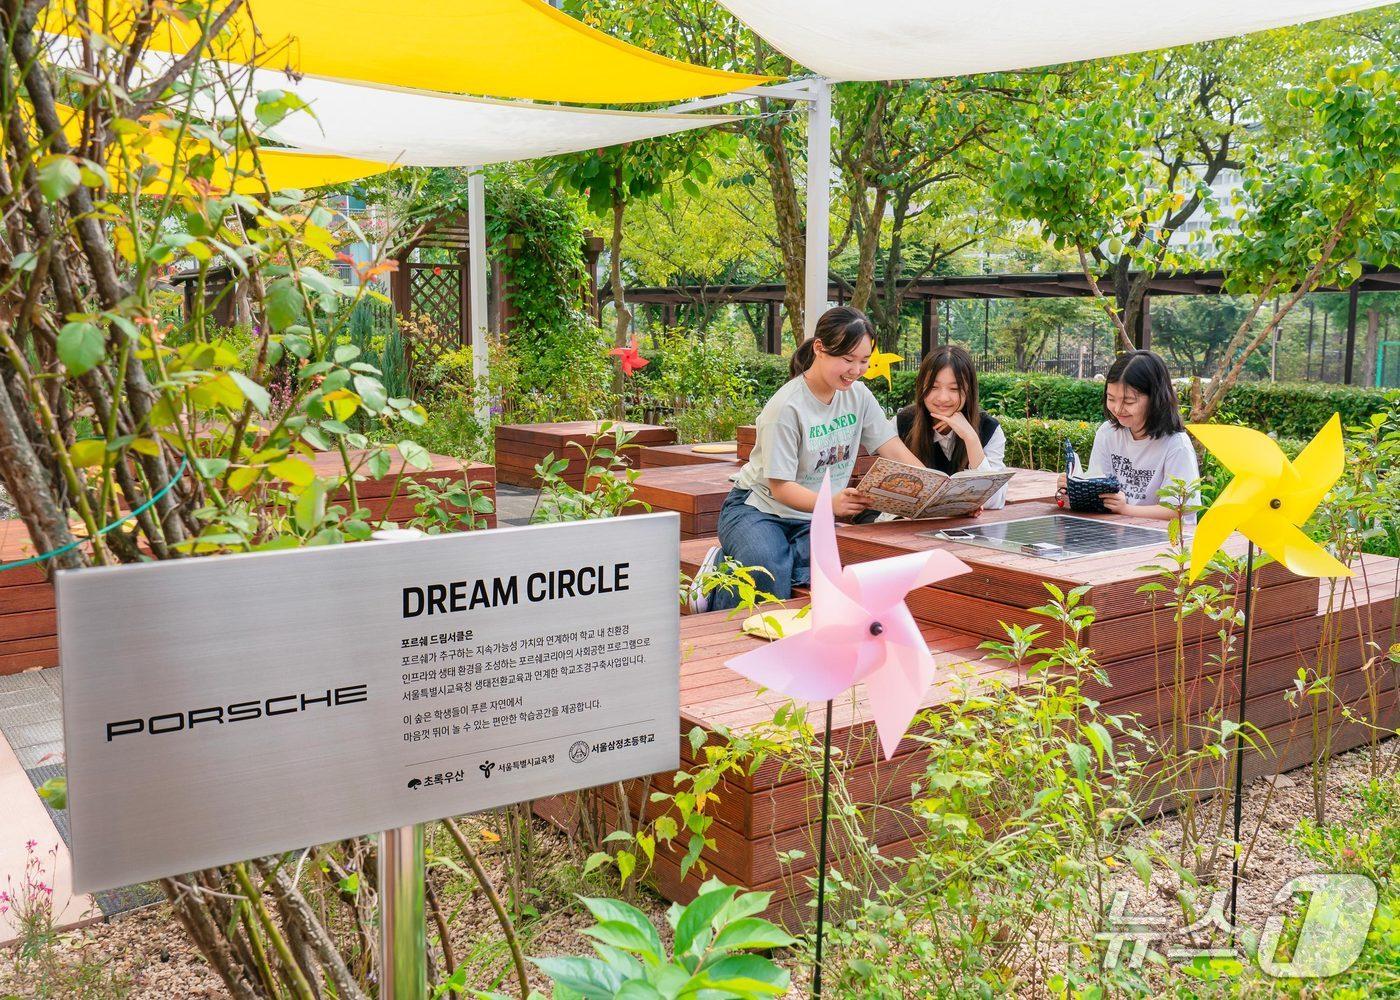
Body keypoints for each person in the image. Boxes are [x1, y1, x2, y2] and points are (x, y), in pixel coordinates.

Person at [689, 307, 924, 613]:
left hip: (812, 515)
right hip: (757, 509)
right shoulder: (786, 408)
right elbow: (780, 488)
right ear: (819, 348)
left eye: (864, 361)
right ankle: (719, 571)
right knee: (769, 573)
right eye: (847, 359)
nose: (856, 370)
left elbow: (891, 447)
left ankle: (745, 561)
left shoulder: (860, 397)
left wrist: (936, 486)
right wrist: (831, 503)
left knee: (826, 569)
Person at [1057, 350, 1200, 522]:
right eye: (1111, 398)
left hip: (1166, 541)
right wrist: (1075, 489)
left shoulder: (1176, 445)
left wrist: (1125, 509)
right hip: (1116, 532)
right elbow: (1101, 492)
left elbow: (1180, 508)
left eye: (1128, 401)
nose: (1117, 409)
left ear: (1155, 398)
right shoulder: (1108, 433)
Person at [897, 344, 1008, 509]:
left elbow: (995, 500)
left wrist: (971, 439)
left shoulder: (989, 429)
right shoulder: (902, 423)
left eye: (954, 388)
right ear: (921, 386)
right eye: (933, 387)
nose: (943, 398)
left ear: (969, 390)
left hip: (967, 530)